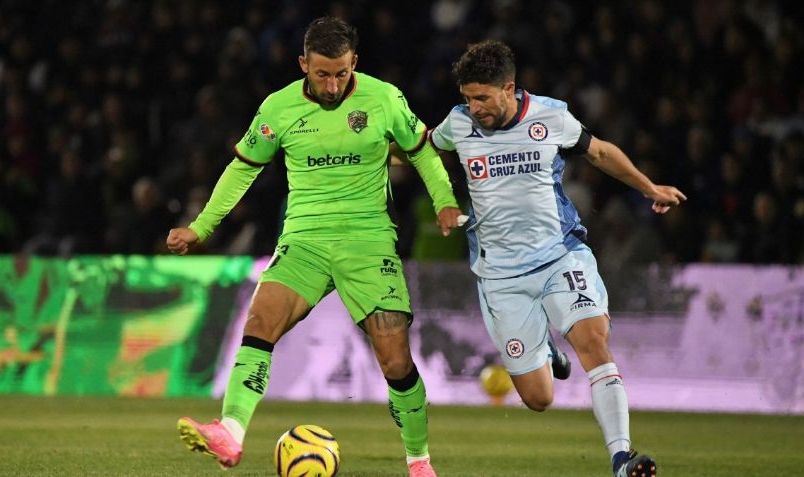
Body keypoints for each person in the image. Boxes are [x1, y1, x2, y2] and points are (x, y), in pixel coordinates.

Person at [166, 17, 462, 477]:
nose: (332, 83)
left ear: (354, 63)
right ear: (303, 64)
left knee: (394, 356)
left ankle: (419, 459)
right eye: (322, 73)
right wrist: (202, 227)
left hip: (367, 242)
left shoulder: (383, 98)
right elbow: (243, 168)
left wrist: (444, 201)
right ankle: (230, 432)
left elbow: (422, 149)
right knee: (261, 319)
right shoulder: (278, 108)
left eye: (341, 73)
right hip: (303, 239)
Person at [428, 40, 686, 477]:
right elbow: (418, 150)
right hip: (500, 275)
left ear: (509, 88)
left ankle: (621, 459)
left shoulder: (550, 116)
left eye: (482, 98)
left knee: (592, 341)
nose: (474, 108)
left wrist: (649, 189)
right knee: (538, 398)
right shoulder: (457, 124)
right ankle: (545, 349)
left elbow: (600, 152)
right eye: (467, 98)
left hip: (559, 257)